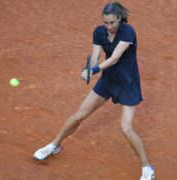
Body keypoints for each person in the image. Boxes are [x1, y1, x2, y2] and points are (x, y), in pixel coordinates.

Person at [34, 2, 154, 180]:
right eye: (105, 23)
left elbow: (114, 59)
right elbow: (96, 58)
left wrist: (94, 71)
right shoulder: (99, 32)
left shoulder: (128, 31)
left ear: (119, 19)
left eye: (112, 22)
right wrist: (88, 68)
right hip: (108, 81)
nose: (108, 26)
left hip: (128, 84)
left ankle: (147, 168)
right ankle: (54, 145)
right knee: (78, 115)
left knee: (126, 128)